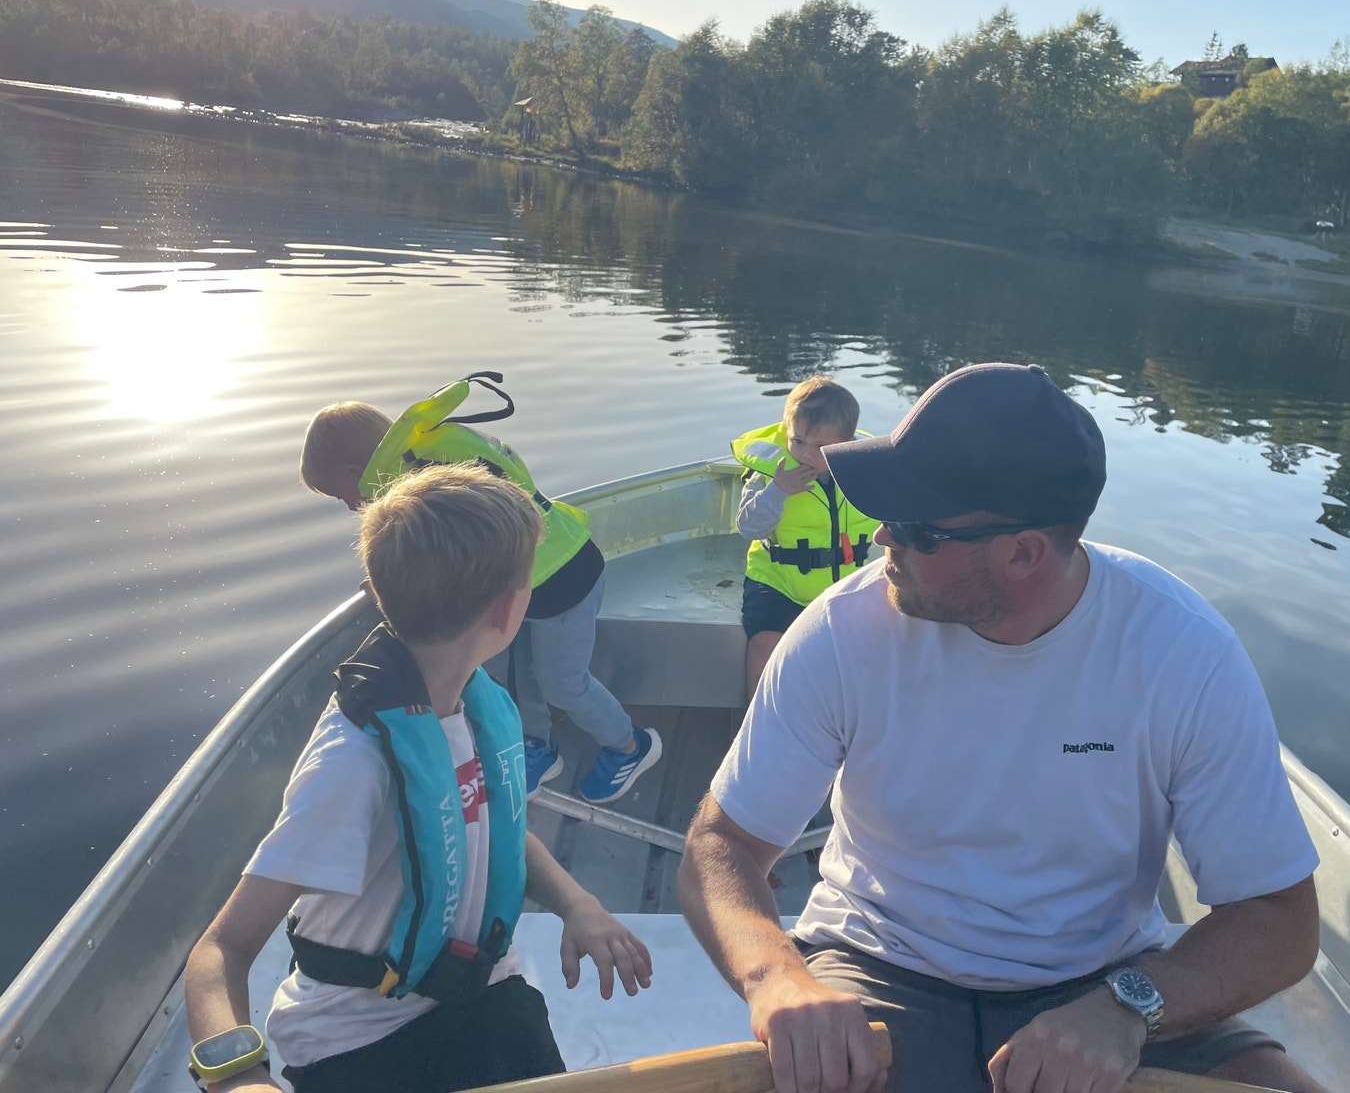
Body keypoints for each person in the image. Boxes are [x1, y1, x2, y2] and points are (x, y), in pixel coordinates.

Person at [680, 362, 1332, 1093]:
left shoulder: (1182, 652)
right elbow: (722, 845)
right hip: (879, 966)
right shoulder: (840, 632)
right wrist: (779, 982)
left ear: (1023, 552)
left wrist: (1127, 1009)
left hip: (1099, 981)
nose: (880, 537)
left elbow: (1280, 920)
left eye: (916, 528)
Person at [182, 464, 653, 1093]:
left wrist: (577, 904)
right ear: (510, 611)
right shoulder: (353, 763)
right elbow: (220, 952)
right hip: (357, 1038)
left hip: (479, 990)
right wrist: (239, 1080)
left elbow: (492, 822)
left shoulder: (470, 703)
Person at [298, 373, 662, 805]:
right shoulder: (418, 458)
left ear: (355, 473)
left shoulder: (422, 479)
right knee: (519, 673)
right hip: (529, 579)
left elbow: (452, 553)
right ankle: (539, 748)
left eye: (340, 496)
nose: (348, 507)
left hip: (564, 576)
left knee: (562, 683)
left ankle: (629, 745)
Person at [731, 376, 880, 696]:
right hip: (777, 584)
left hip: (843, 586)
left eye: (821, 447)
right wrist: (777, 492)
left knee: (869, 649)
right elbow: (748, 528)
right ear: (787, 432)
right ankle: (757, 730)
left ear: (845, 442)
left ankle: (845, 731)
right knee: (763, 646)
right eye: (798, 441)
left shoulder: (863, 472)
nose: (805, 454)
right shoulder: (770, 474)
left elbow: (893, 519)